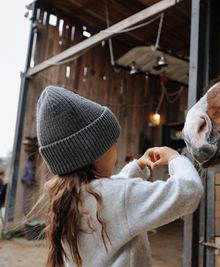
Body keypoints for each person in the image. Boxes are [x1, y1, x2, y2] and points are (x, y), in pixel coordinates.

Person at [35, 86, 203, 267]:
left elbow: (113, 194)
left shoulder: (68, 196)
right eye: (113, 143)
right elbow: (189, 191)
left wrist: (137, 167)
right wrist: (175, 157)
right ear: (94, 152)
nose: (115, 149)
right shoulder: (117, 196)